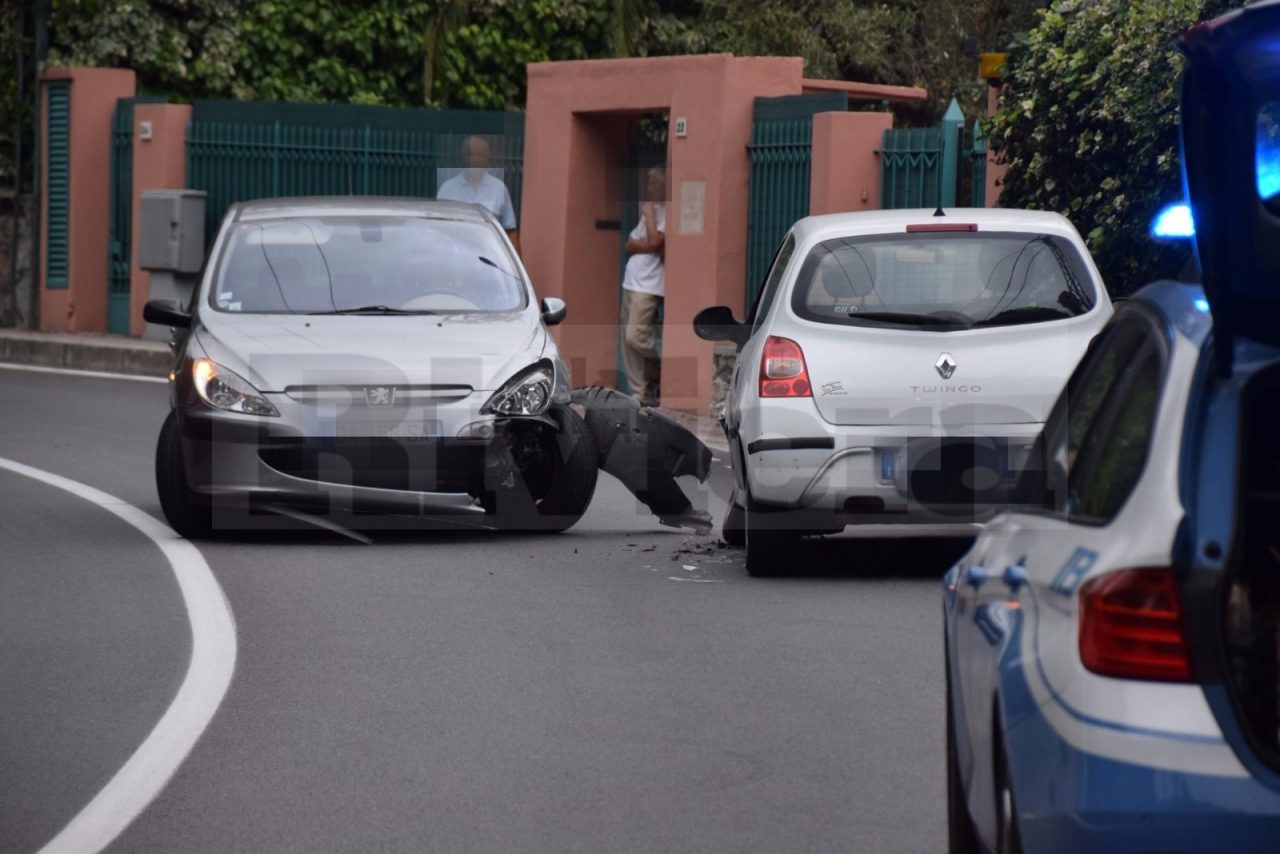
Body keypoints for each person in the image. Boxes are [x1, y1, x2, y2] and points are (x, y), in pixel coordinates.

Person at [620, 167, 667, 407]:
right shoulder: (653, 210)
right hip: (631, 281)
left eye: (653, 184)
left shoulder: (665, 212)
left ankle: (663, 373)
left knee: (635, 336)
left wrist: (649, 215)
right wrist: (647, 243)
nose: (649, 189)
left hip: (649, 285)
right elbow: (630, 244)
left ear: (664, 185)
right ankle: (640, 393)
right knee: (627, 341)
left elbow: (656, 241)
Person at [436, 135, 520, 252]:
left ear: (487, 158)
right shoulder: (447, 189)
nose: (474, 159)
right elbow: (438, 230)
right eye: (470, 154)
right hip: (454, 256)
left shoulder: (499, 189)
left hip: (490, 259)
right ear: (462, 157)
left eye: (479, 154)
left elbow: (510, 231)